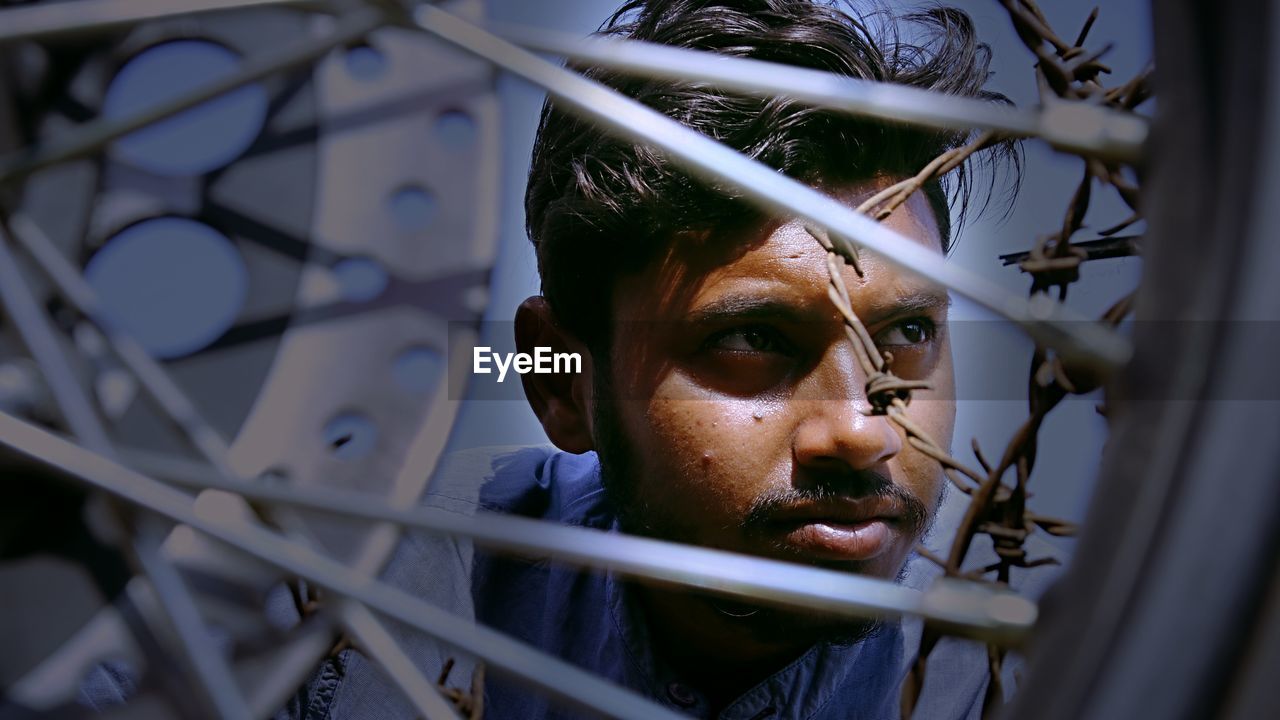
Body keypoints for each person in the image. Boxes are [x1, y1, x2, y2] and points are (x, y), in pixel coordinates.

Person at [292, 1, 1059, 718]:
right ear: (564, 384)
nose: (862, 433)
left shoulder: (1049, 660)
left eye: (907, 333)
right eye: (752, 340)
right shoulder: (373, 590)